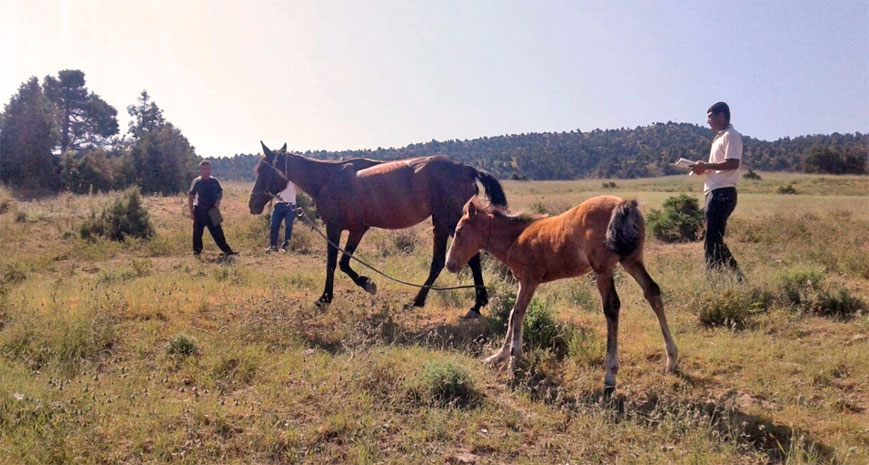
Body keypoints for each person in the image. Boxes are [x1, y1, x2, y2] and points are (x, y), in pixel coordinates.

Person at [691, 101, 743, 278]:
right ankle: (736, 278)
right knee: (714, 240)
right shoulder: (719, 138)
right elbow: (721, 165)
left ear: (721, 115)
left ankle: (715, 279)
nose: (708, 121)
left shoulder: (731, 135)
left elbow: (733, 163)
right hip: (715, 191)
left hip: (722, 192)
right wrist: (703, 169)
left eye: (710, 117)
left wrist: (706, 165)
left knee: (712, 240)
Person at [188, 160, 237, 256]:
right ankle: (197, 252)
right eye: (204, 169)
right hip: (199, 210)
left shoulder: (214, 181)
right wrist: (191, 212)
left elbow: (220, 193)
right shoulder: (196, 181)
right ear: (201, 170)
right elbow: (190, 198)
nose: (206, 171)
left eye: (208, 169)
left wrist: (218, 201)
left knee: (218, 232)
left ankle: (227, 251)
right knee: (197, 233)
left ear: (211, 169)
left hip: (213, 210)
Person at [266, 180, 298, 253]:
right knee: (274, 225)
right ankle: (273, 246)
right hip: (279, 204)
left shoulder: (294, 180)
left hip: (291, 205)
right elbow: (274, 191)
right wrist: (270, 202)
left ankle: (286, 247)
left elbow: (300, 190)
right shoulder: (278, 180)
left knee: (288, 226)